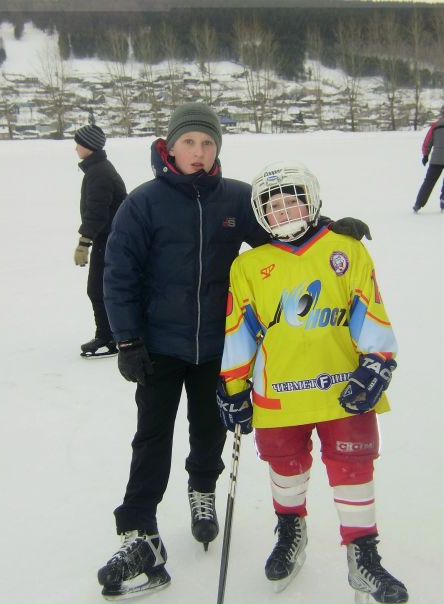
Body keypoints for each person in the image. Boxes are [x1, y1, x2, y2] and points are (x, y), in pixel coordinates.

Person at [97, 102, 371, 599]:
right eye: (189, 143)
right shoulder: (143, 203)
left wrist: (330, 229)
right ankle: (139, 530)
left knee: (210, 427)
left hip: (217, 345)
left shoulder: (237, 199)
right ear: (170, 148)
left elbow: (285, 229)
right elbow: (118, 273)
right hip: (159, 346)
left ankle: (203, 489)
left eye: (207, 143)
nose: (198, 152)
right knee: (151, 436)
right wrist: (128, 339)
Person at [218, 161, 408, 603]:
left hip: (345, 389)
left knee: (353, 468)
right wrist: (233, 386)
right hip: (278, 394)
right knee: (285, 467)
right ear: (261, 215)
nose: (284, 212)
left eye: (292, 202)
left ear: (311, 204)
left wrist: (378, 361)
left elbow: (370, 309)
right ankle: (291, 530)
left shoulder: (346, 249)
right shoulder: (249, 265)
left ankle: (363, 553)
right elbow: (238, 330)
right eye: (274, 206)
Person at [73, 124, 127, 357]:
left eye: (79, 143)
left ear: (89, 146)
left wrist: (83, 243)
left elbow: (97, 213)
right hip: (110, 238)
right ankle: (110, 335)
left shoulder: (99, 173)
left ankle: (109, 338)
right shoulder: (98, 169)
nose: (76, 148)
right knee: (101, 289)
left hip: (110, 240)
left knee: (98, 289)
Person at [413, 105, 444, 213]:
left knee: (429, 182)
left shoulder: (436, 125)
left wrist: (425, 155)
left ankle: (418, 203)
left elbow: (428, 142)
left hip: (436, 159)